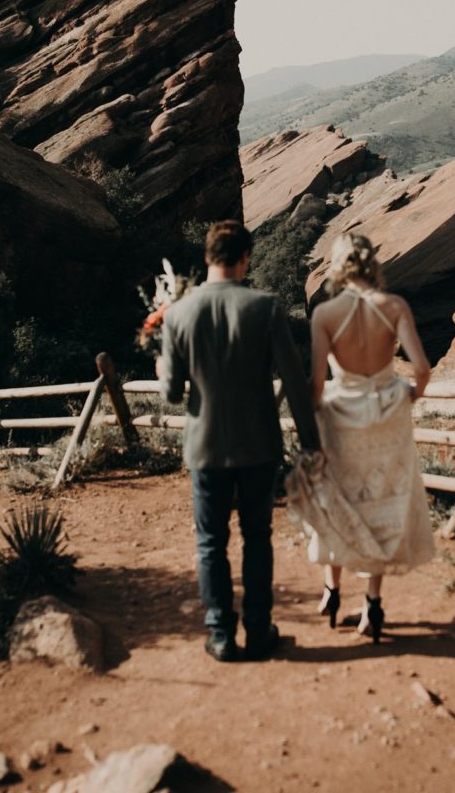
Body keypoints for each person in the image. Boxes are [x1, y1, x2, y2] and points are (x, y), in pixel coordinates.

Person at [159, 220, 321, 663]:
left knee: (210, 541)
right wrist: (311, 443)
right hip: (258, 445)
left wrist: (162, 362)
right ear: (245, 258)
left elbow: (172, 394)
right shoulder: (265, 307)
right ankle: (258, 628)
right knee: (257, 537)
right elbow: (295, 380)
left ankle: (220, 635)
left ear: (207, 258)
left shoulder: (177, 314)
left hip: (204, 446)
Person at [287, 232, 435, 643]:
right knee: (381, 502)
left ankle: (332, 591)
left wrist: (311, 424)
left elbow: (316, 383)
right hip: (388, 416)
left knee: (337, 499)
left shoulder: (326, 314)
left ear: (338, 266)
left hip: (341, 416)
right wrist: (409, 395)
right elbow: (422, 368)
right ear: (372, 263)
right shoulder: (395, 306)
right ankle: (373, 603)